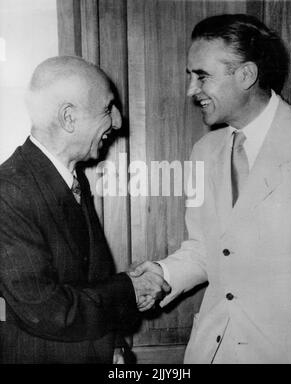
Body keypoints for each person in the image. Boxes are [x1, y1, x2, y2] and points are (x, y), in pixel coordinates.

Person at [131, 14, 291, 363]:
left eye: (202, 76)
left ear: (246, 75)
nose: (192, 90)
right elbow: (205, 250)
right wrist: (163, 274)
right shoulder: (203, 152)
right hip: (214, 349)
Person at [0, 56, 170, 364]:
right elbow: (46, 310)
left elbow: (92, 280)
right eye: (107, 108)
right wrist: (129, 290)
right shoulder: (8, 191)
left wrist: (114, 343)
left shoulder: (72, 179)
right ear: (69, 118)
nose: (118, 121)